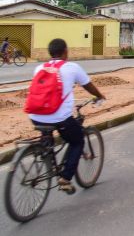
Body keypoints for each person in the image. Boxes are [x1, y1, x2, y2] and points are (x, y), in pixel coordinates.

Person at [26, 38, 106, 194]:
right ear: (65, 51)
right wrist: (100, 96)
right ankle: (65, 178)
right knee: (77, 141)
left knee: (47, 134)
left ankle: (45, 153)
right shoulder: (72, 67)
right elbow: (89, 86)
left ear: (50, 52)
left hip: (35, 115)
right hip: (59, 117)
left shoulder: (39, 68)